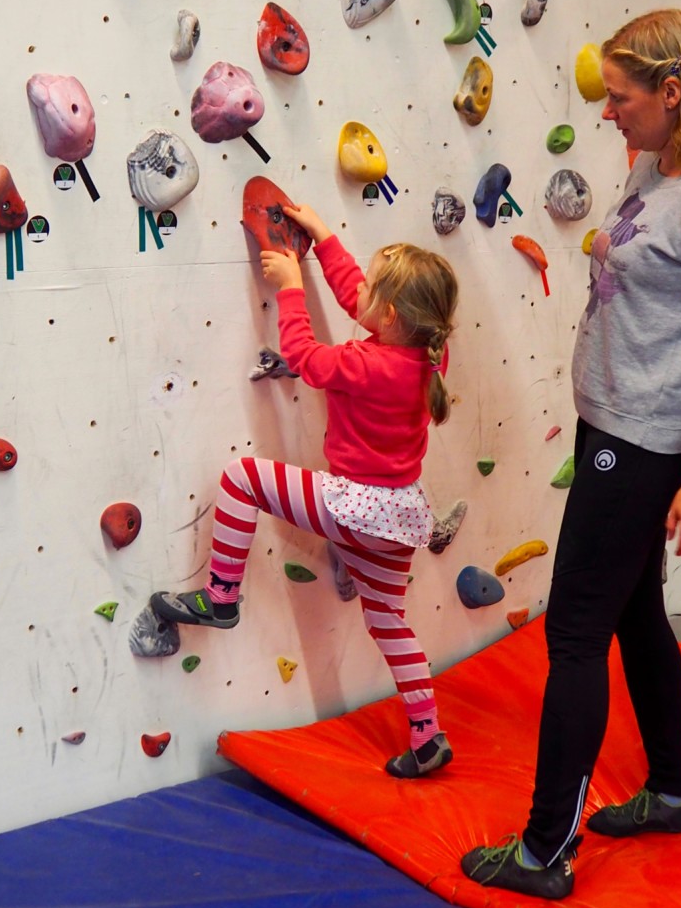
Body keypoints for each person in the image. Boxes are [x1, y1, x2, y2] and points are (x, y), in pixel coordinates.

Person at [461, 8, 681, 898]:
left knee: (574, 634)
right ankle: (671, 790)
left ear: (672, 92)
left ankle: (545, 852)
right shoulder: (662, 162)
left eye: (622, 99)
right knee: (633, 615)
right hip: (610, 426)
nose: (607, 113)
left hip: (648, 443)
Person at [151, 203, 460, 778]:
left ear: (388, 315)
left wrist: (291, 288)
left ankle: (220, 597)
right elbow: (359, 299)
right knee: (389, 621)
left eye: (371, 288)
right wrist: (322, 239)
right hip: (399, 520)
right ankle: (427, 736)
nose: (357, 291)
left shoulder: (366, 363)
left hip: (355, 509)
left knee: (243, 478)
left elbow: (305, 359)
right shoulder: (424, 354)